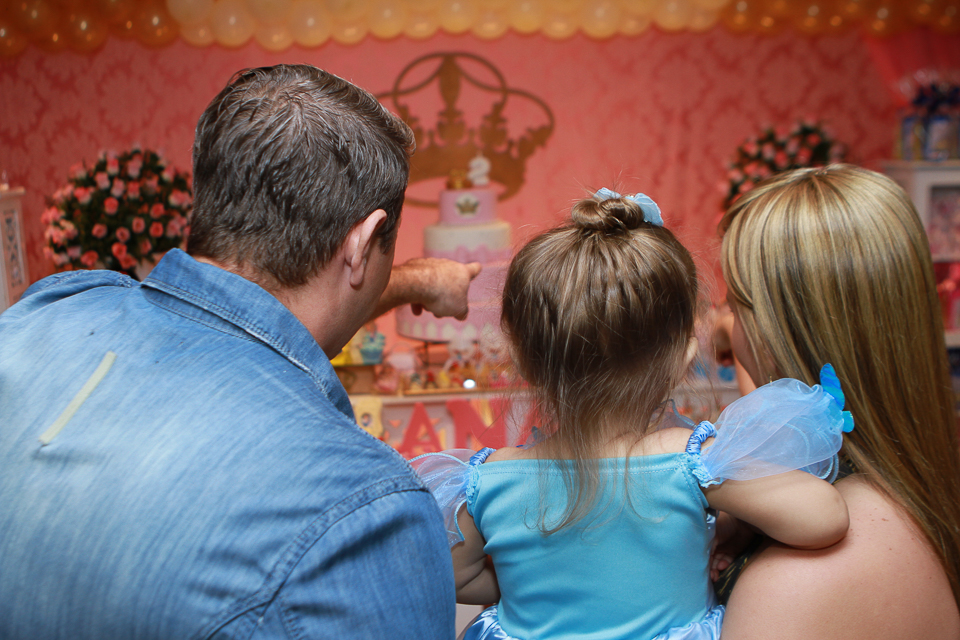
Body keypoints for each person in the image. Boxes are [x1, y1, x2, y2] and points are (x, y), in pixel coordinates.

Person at [0, 64, 478, 639]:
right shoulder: (364, 514)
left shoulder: (51, 308)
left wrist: (410, 280)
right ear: (362, 242)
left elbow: (255, 311)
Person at [411, 189, 853, 640]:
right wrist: (730, 524)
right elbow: (825, 519)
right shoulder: (694, 462)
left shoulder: (487, 481)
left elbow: (453, 577)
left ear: (519, 358)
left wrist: (525, 585)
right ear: (684, 354)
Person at [714, 164, 960, 639]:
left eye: (735, 305)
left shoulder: (796, 585)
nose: (729, 327)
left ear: (779, 333)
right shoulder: (909, 494)